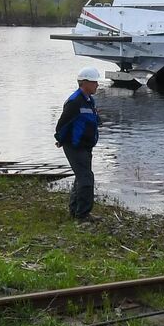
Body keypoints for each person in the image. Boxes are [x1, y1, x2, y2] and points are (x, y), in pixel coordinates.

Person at [54, 65, 101, 222]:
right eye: (94, 82)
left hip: (86, 146)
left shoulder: (89, 101)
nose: (97, 85)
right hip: (75, 146)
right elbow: (62, 124)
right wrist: (60, 139)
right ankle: (83, 215)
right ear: (85, 83)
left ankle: (75, 211)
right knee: (86, 179)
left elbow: (92, 120)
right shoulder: (74, 102)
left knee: (81, 178)